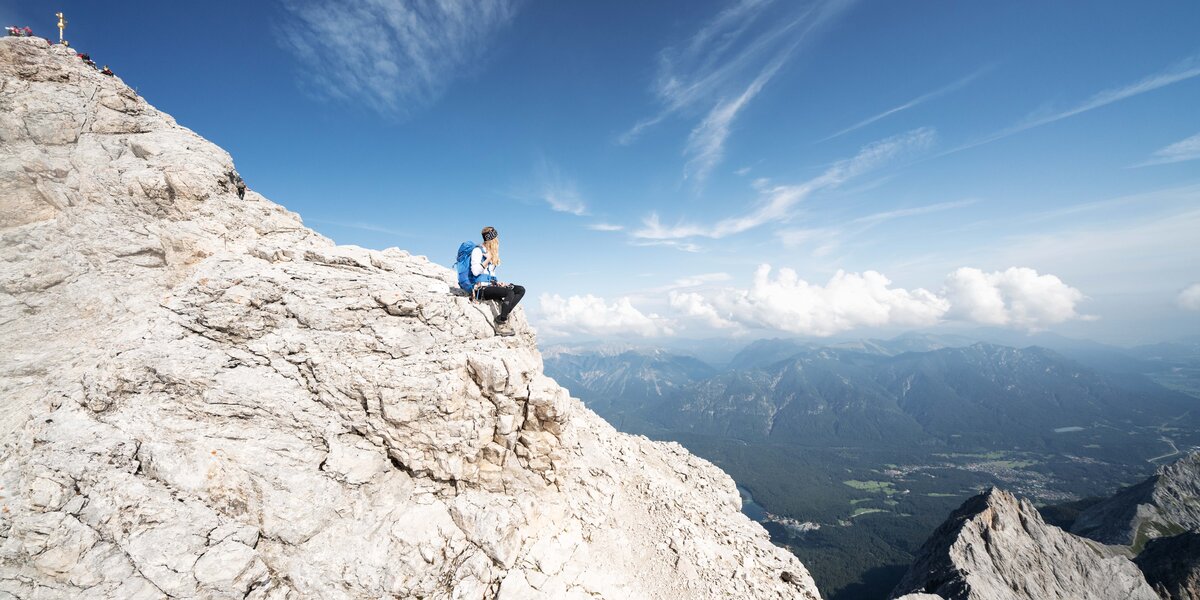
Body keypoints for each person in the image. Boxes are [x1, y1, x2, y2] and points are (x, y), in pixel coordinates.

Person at [470, 226, 525, 336]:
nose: (497, 243)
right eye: (496, 240)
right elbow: (475, 272)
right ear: (492, 241)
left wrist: (498, 283)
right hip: (481, 289)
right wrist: (488, 259)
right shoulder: (477, 251)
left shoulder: (489, 252)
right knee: (510, 292)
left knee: (520, 289)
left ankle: (503, 312)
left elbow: (490, 274)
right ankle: (500, 322)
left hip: (490, 286)